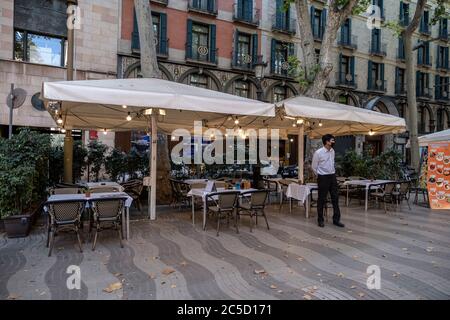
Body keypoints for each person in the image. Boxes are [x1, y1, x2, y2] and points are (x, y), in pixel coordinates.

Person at [311, 134, 345, 228]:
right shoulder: (318, 153)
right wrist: (320, 176)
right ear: (326, 142)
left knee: (335, 198)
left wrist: (332, 174)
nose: (334, 142)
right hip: (323, 177)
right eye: (332, 140)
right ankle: (320, 220)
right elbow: (314, 167)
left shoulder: (332, 151)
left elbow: (332, 163)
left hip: (332, 176)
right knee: (321, 199)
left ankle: (336, 220)